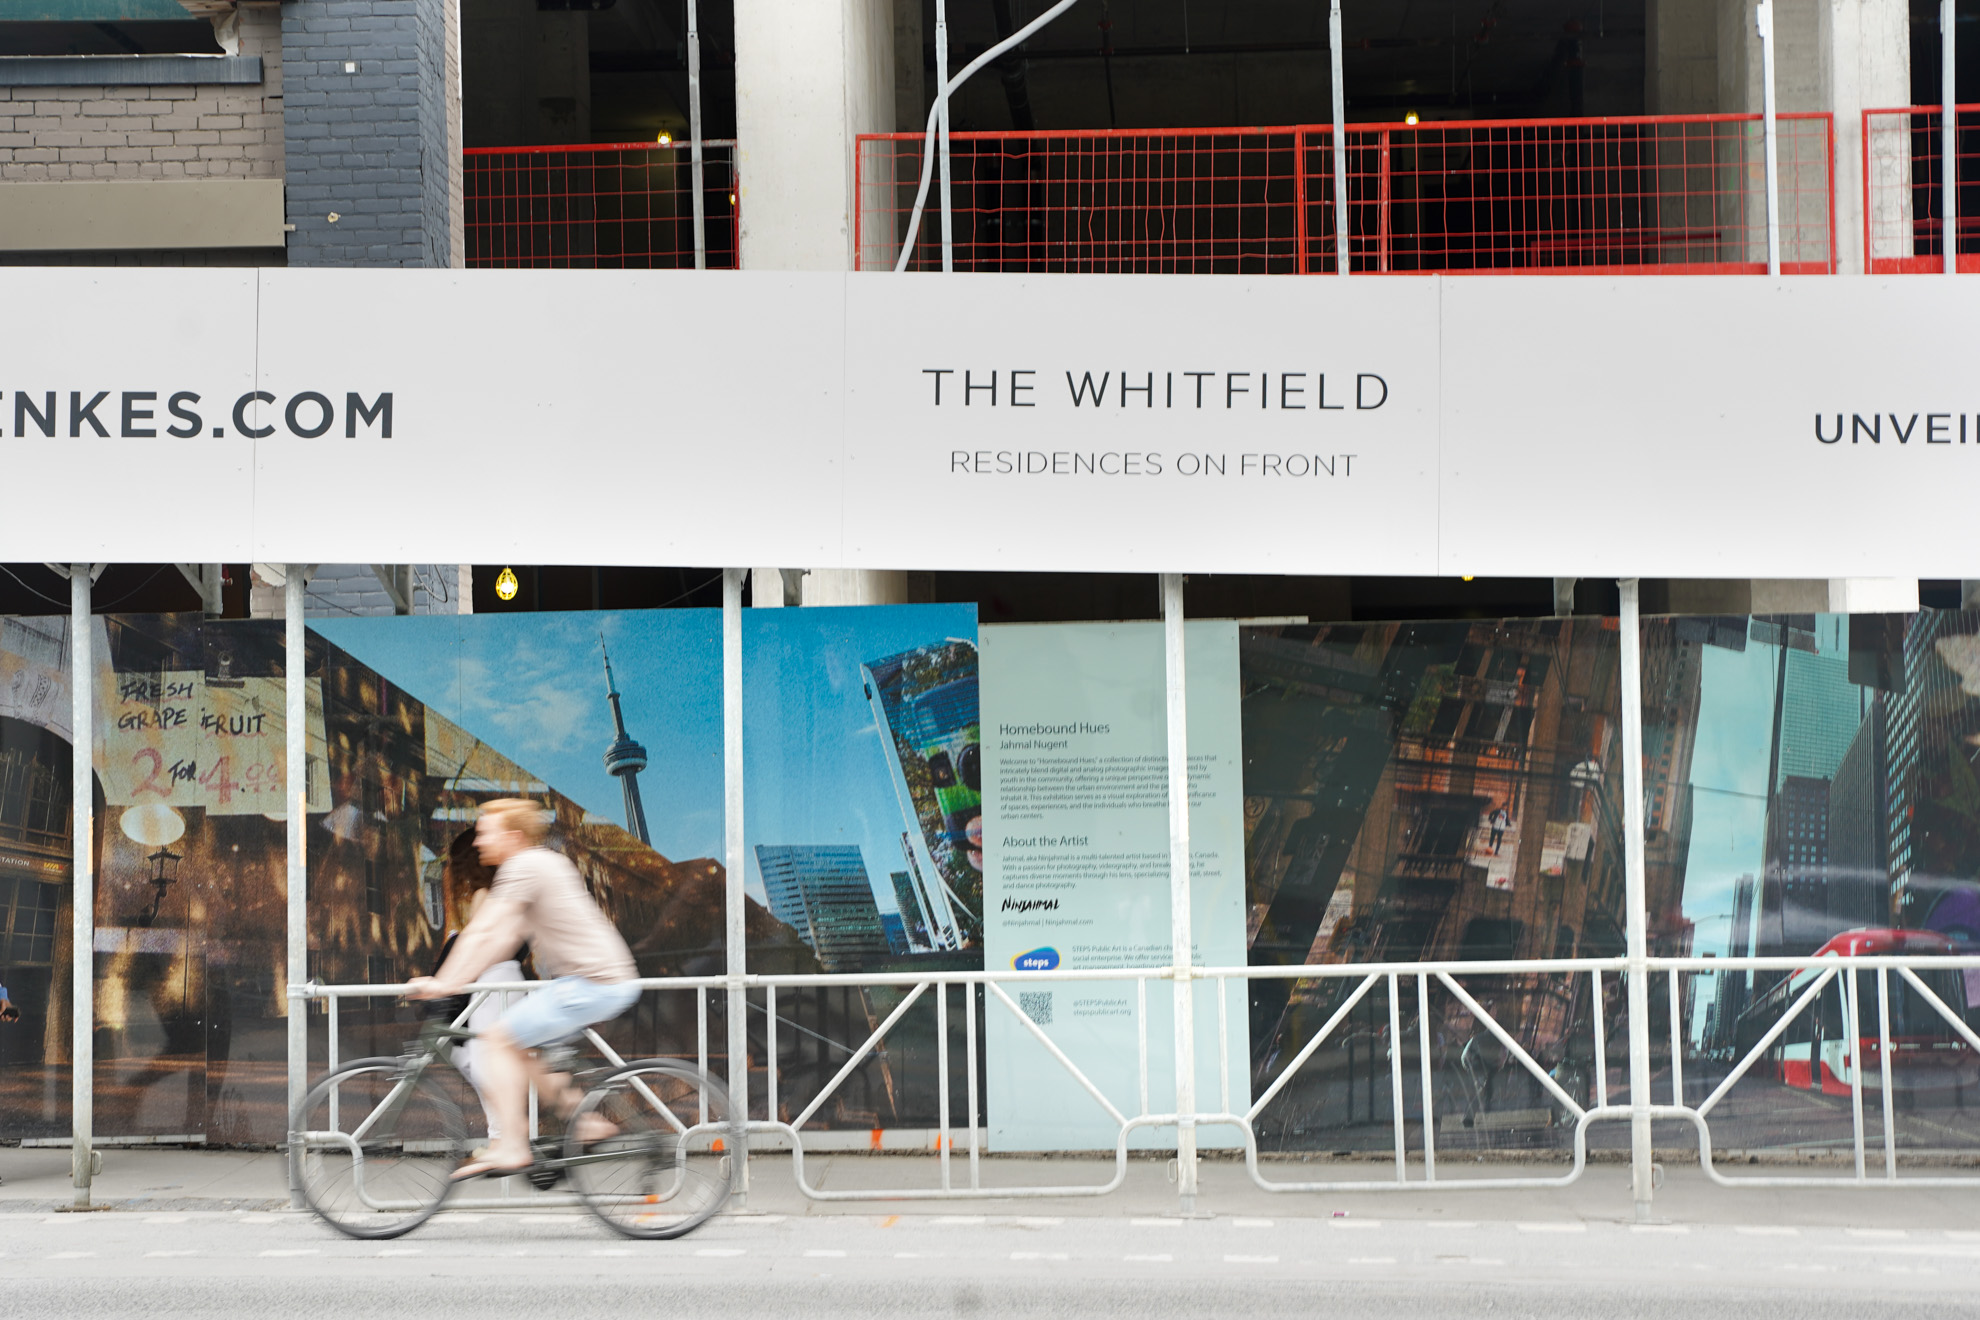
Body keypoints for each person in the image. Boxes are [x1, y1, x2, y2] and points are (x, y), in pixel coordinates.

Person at [405, 798, 639, 1180]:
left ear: (512, 836)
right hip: (592, 981)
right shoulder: (540, 864)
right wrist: (451, 979)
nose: (478, 842)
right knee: (521, 1050)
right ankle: (585, 1123)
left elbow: (484, 932)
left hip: (592, 984)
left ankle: (512, 1145)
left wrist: (442, 983)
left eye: (485, 833)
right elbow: (499, 939)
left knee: (496, 1041)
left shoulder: (525, 866)